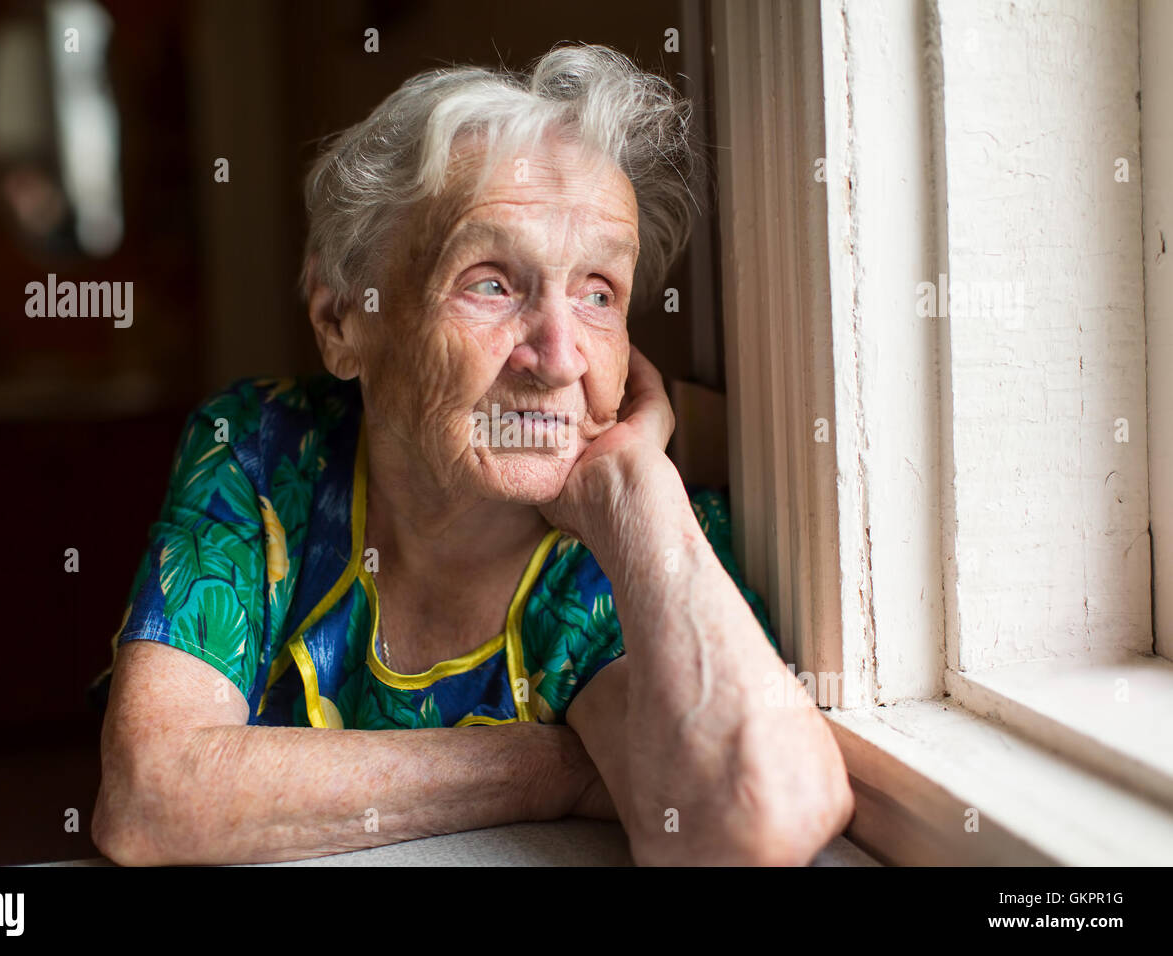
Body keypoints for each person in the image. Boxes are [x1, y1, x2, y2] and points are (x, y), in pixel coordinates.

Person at [90, 43, 853, 866]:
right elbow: (151, 795)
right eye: (490, 282)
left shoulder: (609, 564)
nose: (559, 356)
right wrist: (548, 767)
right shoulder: (262, 456)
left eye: (599, 293)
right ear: (344, 317)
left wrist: (638, 490)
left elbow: (763, 816)